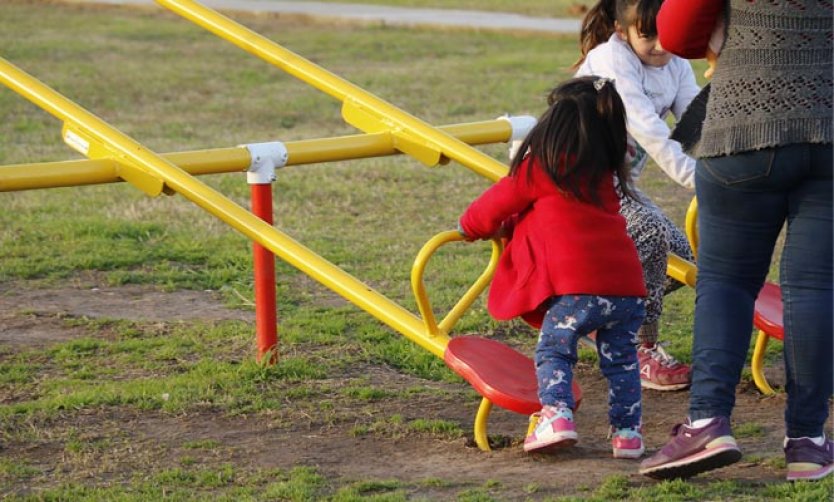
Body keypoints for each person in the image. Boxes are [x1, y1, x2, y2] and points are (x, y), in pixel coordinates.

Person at [639, 0, 833, 481]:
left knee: (725, 281)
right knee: (816, 288)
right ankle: (808, 442)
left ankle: (708, 422)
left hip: (743, 131)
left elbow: (678, 34)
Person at [458, 76, 648, 458]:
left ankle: (557, 417)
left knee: (554, 351)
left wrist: (468, 227)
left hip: (578, 290)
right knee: (623, 362)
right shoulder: (604, 177)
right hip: (628, 289)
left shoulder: (541, 169)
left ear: (552, 128)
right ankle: (628, 435)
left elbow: (492, 206)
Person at [572, 0, 701, 392]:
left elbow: (698, 121)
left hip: (619, 187)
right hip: (578, 183)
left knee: (682, 262)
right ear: (621, 30)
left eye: (669, 33)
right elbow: (647, 128)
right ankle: (637, 346)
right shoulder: (612, 60)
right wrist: (700, 179)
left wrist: (736, 163)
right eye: (648, 35)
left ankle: (600, 321)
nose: (661, 45)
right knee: (648, 233)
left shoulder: (676, 65)